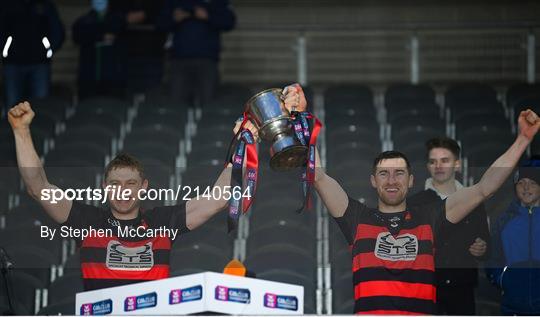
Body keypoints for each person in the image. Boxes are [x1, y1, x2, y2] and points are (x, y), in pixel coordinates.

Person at [6, 85, 301, 290]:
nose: (123, 190)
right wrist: (21, 132)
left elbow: (218, 198)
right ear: (104, 187)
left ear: (143, 187)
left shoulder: (162, 222)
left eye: (130, 183)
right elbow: (37, 187)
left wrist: (243, 144)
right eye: (115, 184)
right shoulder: (86, 221)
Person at [294, 86, 538, 313]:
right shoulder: (357, 218)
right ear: (373, 181)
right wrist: (301, 117)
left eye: (399, 173)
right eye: (383, 174)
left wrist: (522, 141)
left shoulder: (430, 218)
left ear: (411, 180)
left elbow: (485, 188)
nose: (391, 180)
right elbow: (319, 176)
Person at [408, 137, 490, 315]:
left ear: (457, 165)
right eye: (433, 161)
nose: (438, 166)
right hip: (425, 289)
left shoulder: (474, 201)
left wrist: (482, 248)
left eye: (445, 160)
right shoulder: (414, 204)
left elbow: (486, 245)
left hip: (463, 289)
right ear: (428, 166)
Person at [486, 158, 540, 315]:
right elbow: (492, 258)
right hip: (512, 307)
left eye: (533, 182)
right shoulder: (504, 220)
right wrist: (502, 278)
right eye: (521, 182)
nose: (526, 188)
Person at [158, 0, 236, 107]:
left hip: (207, 60)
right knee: (176, 103)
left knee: (208, 103)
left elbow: (229, 22)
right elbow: (159, 23)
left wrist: (208, 16)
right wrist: (174, 18)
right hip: (179, 59)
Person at [0, 0, 65, 107]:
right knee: (12, 107)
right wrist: (5, 50)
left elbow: (57, 30)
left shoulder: (45, 5)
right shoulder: (7, 5)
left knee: (40, 106)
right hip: (12, 64)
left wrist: (48, 50)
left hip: (40, 64)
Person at [108, 0, 168, 94]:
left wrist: (146, 14)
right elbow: (111, 18)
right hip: (125, 54)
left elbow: (166, 16)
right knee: (126, 94)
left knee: (152, 95)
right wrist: (125, 18)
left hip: (153, 54)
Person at [72, 0, 126, 99]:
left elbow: (118, 33)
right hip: (88, 77)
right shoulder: (83, 21)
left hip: (112, 78)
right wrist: (100, 36)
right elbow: (78, 37)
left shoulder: (118, 20)